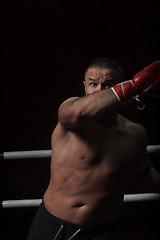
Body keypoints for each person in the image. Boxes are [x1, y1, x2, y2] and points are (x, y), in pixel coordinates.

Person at [27, 58, 160, 240]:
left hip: (101, 232)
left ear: (118, 86)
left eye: (107, 85)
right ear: (85, 87)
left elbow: (143, 174)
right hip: (53, 226)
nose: (98, 90)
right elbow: (79, 111)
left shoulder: (135, 133)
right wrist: (136, 85)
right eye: (93, 84)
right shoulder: (70, 113)